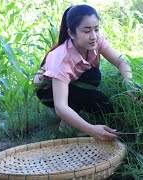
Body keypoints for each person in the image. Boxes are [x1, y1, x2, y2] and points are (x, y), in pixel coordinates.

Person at [33, 5, 134, 141]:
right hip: (49, 92)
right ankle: (65, 125)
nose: (93, 36)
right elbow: (60, 106)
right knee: (93, 76)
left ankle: (74, 113)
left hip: (73, 84)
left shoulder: (96, 41)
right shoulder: (62, 58)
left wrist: (131, 87)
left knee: (105, 107)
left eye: (96, 29)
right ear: (71, 34)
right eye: (86, 31)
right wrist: (91, 130)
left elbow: (122, 62)